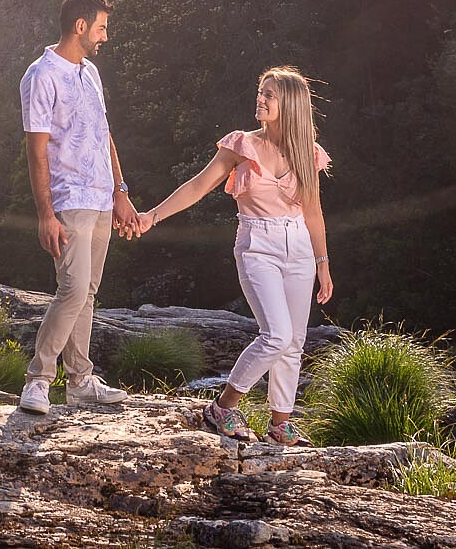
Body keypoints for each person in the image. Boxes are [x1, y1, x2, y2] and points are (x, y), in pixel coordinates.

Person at [132, 66, 332, 444]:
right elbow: (198, 186)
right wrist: (151, 216)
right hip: (257, 245)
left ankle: (280, 425)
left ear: (290, 104)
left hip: (300, 248)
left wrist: (323, 263)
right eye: (260, 92)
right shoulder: (241, 145)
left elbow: (314, 212)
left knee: (294, 341)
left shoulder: (307, 153)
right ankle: (222, 408)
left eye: (269, 95)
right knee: (276, 334)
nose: (261, 99)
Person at [17, 0, 145, 415]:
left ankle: (81, 382)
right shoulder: (41, 75)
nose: (105, 36)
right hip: (68, 198)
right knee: (72, 289)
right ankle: (38, 380)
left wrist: (120, 192)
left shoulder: (90, 73)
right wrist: (45, 215)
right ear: (80, 26)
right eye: (101, 28)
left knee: (88, 293)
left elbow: (104, 134)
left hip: (102, 198)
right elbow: (36, 151)